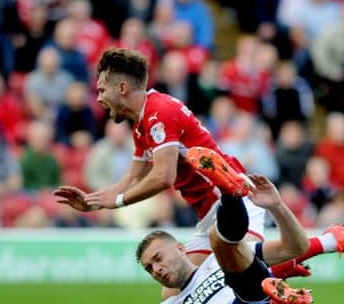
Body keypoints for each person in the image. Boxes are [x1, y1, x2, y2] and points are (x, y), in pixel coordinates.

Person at [16, 174, 315, 304]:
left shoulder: (213, 261)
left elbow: (296, 248)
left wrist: (276, 205)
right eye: (149, 269)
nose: (156, 270)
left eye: (158, 259)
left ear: (182, 248)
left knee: (221, 242)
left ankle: (229, 193)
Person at [55, 47, 264, 268]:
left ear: (122, 88)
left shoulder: (159, 112)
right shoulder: (140, 125)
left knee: (244, 273)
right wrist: (93, 203)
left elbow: (164, 176)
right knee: (175, 292)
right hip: (209, 215)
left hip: (233, 201)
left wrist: (118, 202)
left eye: (102, 90)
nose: (98, 99)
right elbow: (134, 178)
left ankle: (283, 262)